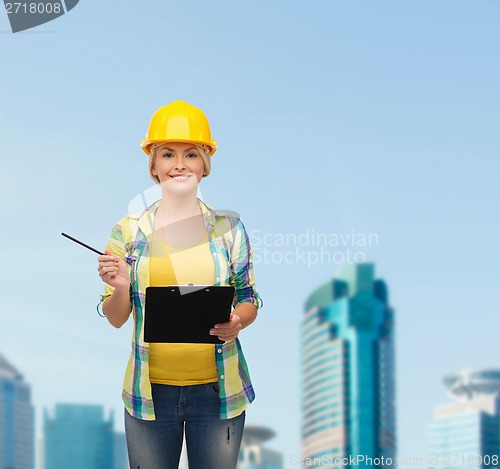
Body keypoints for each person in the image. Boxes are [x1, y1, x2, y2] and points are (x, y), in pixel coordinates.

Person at [96, 100, 263, 469]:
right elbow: (115, 317)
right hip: (150, 394)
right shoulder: (128, 231)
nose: (180, 163)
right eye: (167, 154)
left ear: (205, 163)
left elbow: (249, 297)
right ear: (153, 164)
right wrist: (121, 286)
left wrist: (238, 321)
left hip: (217, 394)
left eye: (191, 153)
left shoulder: (230, 229)